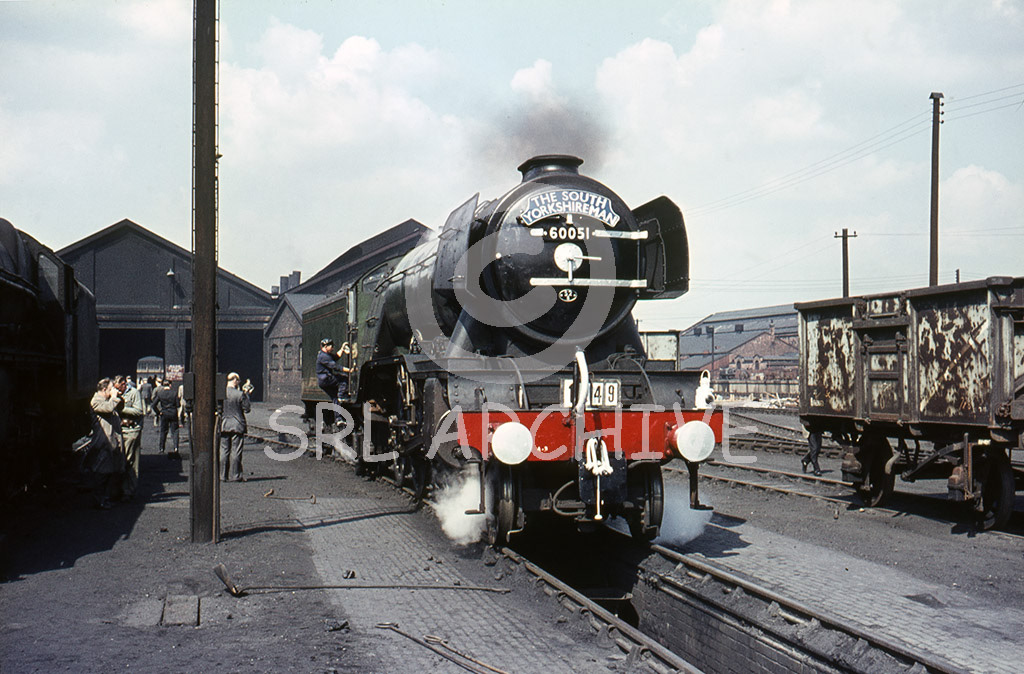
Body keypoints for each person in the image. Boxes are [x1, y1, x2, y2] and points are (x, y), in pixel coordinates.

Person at [88, 378, 125, 509]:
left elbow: (118, 407)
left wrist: (116, 396)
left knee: (109, 472)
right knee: (102, 473)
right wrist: (114, 397)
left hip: (111, 442)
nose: (112, 391)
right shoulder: (96, 401)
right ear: (104, 390)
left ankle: (105, 498)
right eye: (110, 389)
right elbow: (108, 409)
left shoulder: (106, 400)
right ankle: (99, 501)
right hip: (103, 443)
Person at [114, 375, 145, 500]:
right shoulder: (116, 394)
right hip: (120, 430)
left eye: (119, 389)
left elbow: (139, 411)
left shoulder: (134, 393)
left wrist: (122, 408)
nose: (118, 391)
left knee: (129, 460)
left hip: (132, 431)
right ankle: (121, 489)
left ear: (124, 384)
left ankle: (128, 491)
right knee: (122, 460)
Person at [220, 372, 252, 482]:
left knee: (224, 450)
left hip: (224, 424)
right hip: (237, 425)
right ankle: (235, 475)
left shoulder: (221, 393)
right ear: (234, 380)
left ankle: (222, 475)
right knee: (236, 451)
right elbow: (247, 409)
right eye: (238, 381)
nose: (239, 383)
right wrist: (246, 394)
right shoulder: (239, 394)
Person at [316, 338, 351, 429]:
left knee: (334, 398)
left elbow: (335, 357)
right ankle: (342, 396)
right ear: (325, 346)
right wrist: (350, 370)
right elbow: (335, 366)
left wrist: (342, 349)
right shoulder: (323, 356)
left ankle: (338, 419)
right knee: (343, 379)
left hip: (324, 380)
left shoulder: (325, 355)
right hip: (326, 379)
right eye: (331, 346)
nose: (332, 347)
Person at [152, 377, 182, 458]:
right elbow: (178, 405)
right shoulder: (174, 393)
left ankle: (161, 448)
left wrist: (159, 412)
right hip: (173, 413)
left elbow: (153, 405)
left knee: (163, 431)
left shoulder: (160, 393)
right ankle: (176, 448)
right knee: (175, 431)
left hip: (164, 413)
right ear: (170, 385)